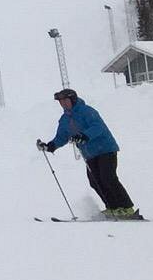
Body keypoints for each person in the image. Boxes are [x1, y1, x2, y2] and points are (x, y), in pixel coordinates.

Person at [38, 88, 138, 218]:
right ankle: (112, 207)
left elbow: (98, 127)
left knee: (108, 178)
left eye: (65, 100)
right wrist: (49, 146)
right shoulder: (64, 119)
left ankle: (126, 208)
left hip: (105, 149)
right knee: (95, 181)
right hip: (89, 154)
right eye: (61, 102)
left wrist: (84, 136)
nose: (63, 104)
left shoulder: (86, 111)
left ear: (72, 99)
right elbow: (61, 137)